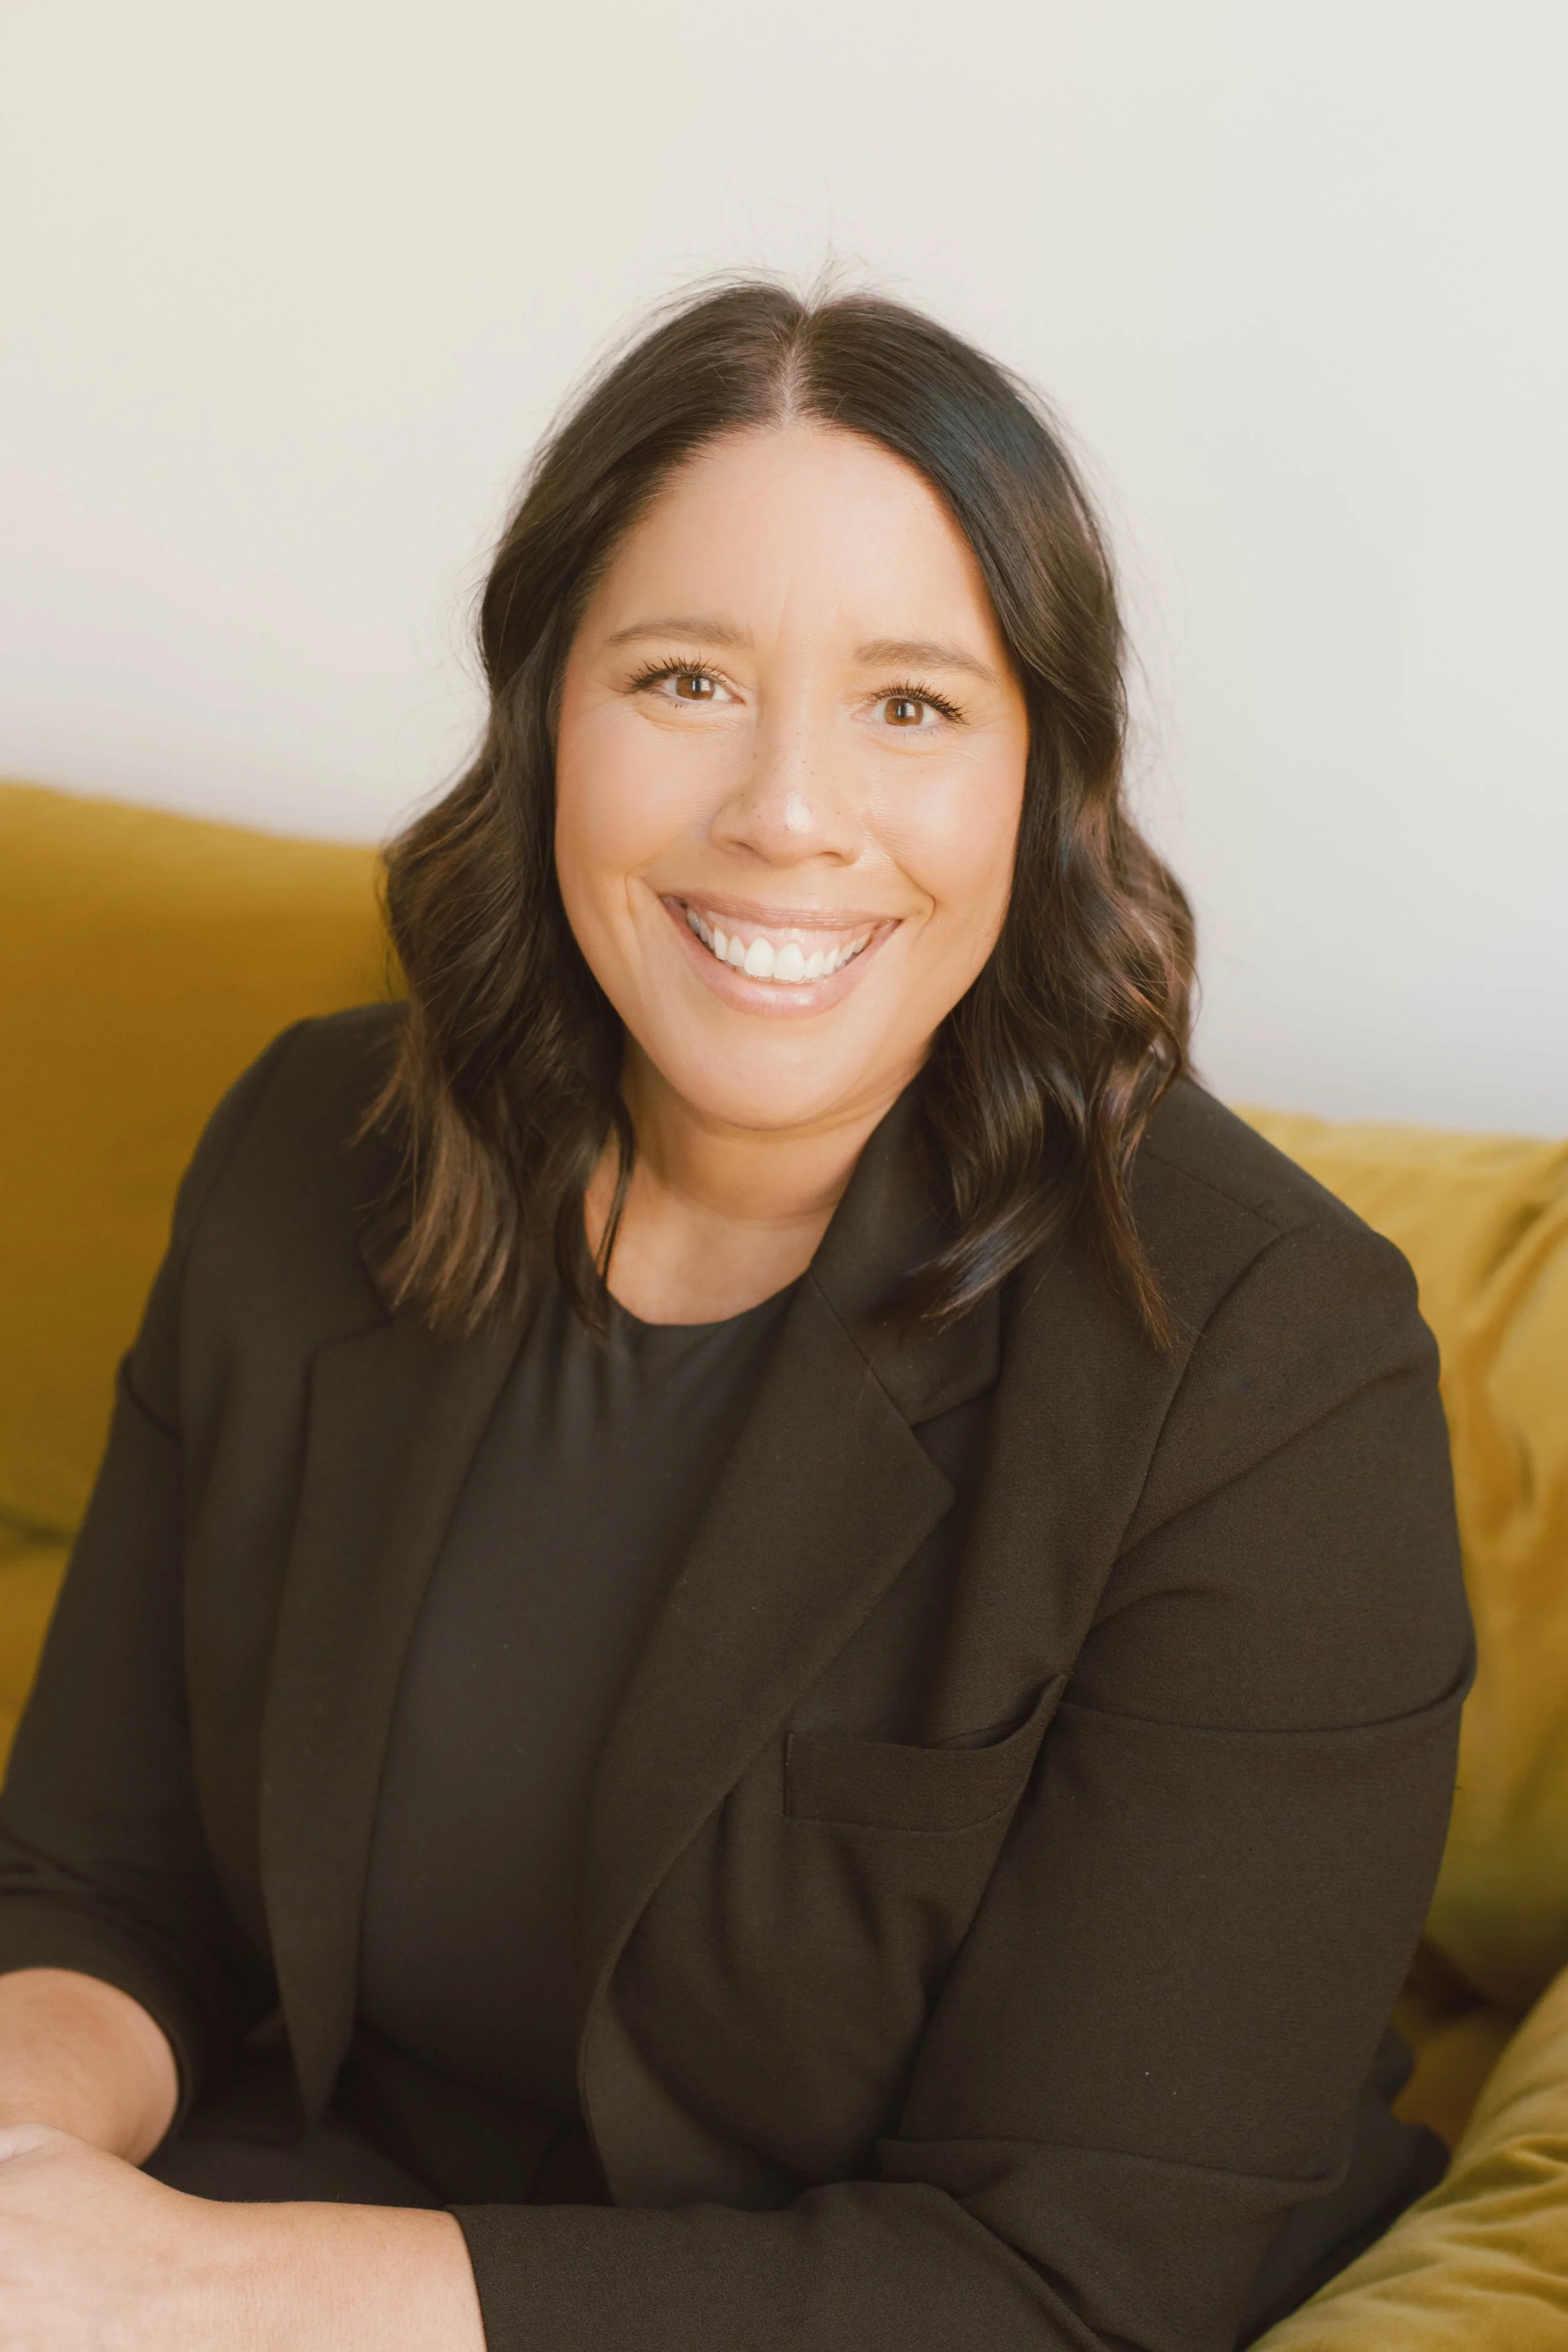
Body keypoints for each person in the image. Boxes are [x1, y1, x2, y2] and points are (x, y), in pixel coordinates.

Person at [0, 282, 1471, 2352]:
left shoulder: (1266, 1363)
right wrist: (24, 2168)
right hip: (303, 2215)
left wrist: (193, 2287)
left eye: (911, 705)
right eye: (685, 679)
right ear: (546, 713)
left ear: (1040, 780)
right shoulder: (308, 1153)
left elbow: (1070, 2279)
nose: (786, 809)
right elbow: (102, 1883)